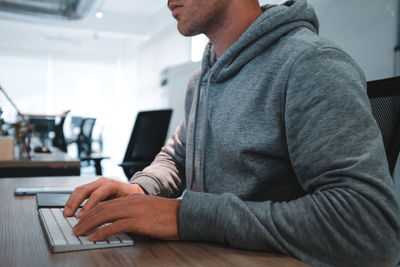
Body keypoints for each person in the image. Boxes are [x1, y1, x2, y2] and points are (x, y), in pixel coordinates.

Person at [63, 0, 400, 266]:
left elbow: (370, 227)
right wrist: (139, 188)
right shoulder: (201, 79)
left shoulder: (310, 64)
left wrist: (186, 217)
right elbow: (176, 156)